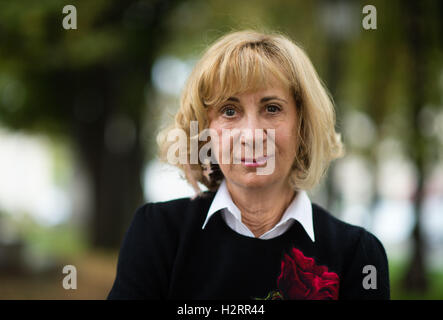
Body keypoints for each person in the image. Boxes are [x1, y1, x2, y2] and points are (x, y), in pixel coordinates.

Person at [108, 30, 390, 300]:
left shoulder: (358, 256)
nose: (252, 135)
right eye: (229, 111)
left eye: (272, 109)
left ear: (302, 126)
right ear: (206, 130)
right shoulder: (158, 234)